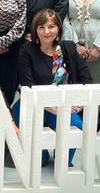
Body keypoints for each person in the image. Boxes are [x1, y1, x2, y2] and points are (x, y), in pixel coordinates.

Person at [15, 10, 92, 165]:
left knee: (76, 126)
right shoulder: (27, 50)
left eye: (51, 27)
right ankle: (41, 156)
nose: (46, 31)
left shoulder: (68, 48)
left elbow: (87, 79)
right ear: (35, 29)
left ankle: (62, 159)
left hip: (62, 104)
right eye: (41, 27)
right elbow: (28, 86)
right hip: (33, 105)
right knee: (40, 162)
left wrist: (79, 103)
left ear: (58, 28)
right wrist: (55, 108)